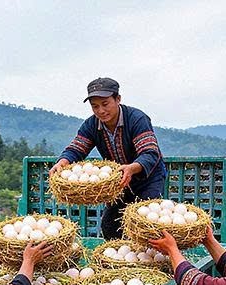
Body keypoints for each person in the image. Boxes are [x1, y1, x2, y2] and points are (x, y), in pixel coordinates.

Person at [50, 77, 166, 240]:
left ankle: (148, 262)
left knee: (145, 223)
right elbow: (76, 149)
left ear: (118, 99)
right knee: (110, 225)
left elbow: (150, 153)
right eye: (95, 106)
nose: (101, 111)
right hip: (118, 182)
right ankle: (118, 262)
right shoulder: (91, 125)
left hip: (147, 179)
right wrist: (62, 162)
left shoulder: (136, 119)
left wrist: (131, 168)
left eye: (105, 104)